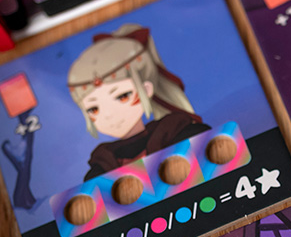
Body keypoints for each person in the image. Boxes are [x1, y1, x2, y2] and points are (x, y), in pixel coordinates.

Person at [68, 24, 209, 181]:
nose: (109, 114)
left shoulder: (180, 133)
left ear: (147, 90)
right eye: (93, 109)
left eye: (122, 96)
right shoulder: (101, 166)